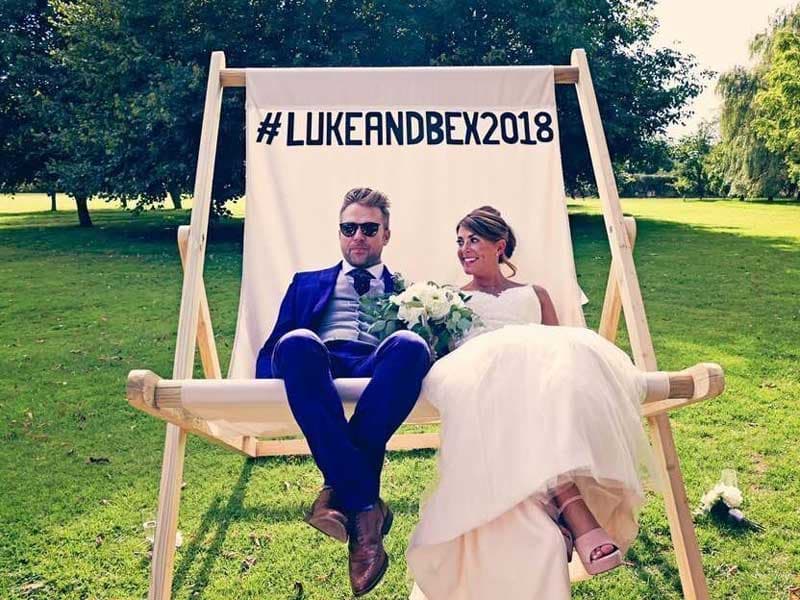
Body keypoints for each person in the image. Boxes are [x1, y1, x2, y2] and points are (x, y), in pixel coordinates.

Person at [406, 206, 654, 600]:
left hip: (532, 387)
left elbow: (559, 348)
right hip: (478, 383)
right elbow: (441, 353)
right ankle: (573, 510)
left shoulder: (534, 294)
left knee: (548, 361)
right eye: (459, 241)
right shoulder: (449, 299)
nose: (463, 249)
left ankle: (566, 511)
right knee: (503, 368)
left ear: (499, 246)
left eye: (473, 240)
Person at [255, 187, 432, 597]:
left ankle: (340, 494)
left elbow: (422, 352)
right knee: (298, 341)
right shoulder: (306, 283)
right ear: (339, 232)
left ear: (386, 235)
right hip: (318, 364)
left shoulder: (409, 289)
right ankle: (367, 514)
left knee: (411, 346)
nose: (358, 236)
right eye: (349, 228)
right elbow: (277, 343)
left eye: (369, 228)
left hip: (376, 365)